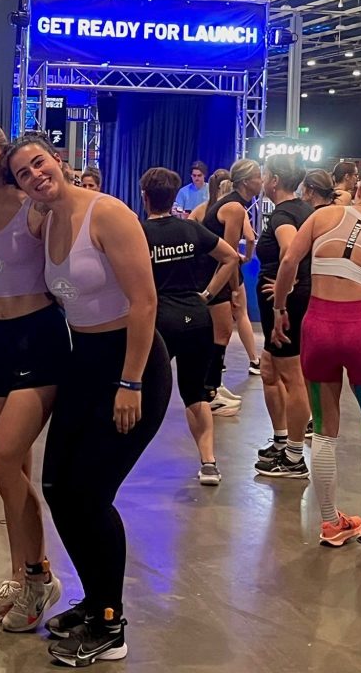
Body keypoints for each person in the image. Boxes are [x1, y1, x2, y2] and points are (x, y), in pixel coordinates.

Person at [6, 134, 172, 666]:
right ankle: (94, 598)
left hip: (131, 363)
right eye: (24, 173)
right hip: (85, 361)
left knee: (92, 495)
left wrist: (131, 382)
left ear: (58, 159)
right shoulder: (48, 219)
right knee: (58, 487)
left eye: (39, 163)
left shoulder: (109, 213)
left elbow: (145, 302)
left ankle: (110, 623)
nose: (35, 175)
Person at [0, 121, 70, 630]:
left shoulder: (34, 206)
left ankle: (40, 575)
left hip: (38, 337)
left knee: (1, 462)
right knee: (14, 475)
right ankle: (21, 577)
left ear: (3, 154)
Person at [272, 167, 361, 550]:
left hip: (318, 327)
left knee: (324, 430)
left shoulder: (323, 216)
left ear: (357, 188)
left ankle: (331, 522)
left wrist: (280, 308)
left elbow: (288, 262)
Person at [140, 167, 239, 485]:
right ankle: (209, 464)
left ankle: (117, 457)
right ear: (173, 197)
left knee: (140, 390)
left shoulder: (140, 233)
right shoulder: (191, 229)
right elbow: (231, 257)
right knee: (196, 396)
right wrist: (208, 295)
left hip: (160, 322)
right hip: (197, 319)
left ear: (145, 197)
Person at [253, 155, 313, 479]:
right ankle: (281, 441)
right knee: (269, 369)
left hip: (286, 306)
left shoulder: (284, 214)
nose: (262, 180)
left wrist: (281, 299)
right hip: (286, 302)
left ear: (274, 180)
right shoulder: (303, 209)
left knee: (291, 376)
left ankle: (294, 456)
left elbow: (291, 253)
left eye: (265, 175)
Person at [194, 160, 263, 413]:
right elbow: (230, 254)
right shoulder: (234, 208)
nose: (262, 181)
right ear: (245, 181)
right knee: (220, 332)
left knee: (221, 331)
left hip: (214, 274)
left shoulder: (233, 205)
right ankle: (209, 392)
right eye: (258, 176)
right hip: (212, 276)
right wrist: (234, 290)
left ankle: (213, 386)